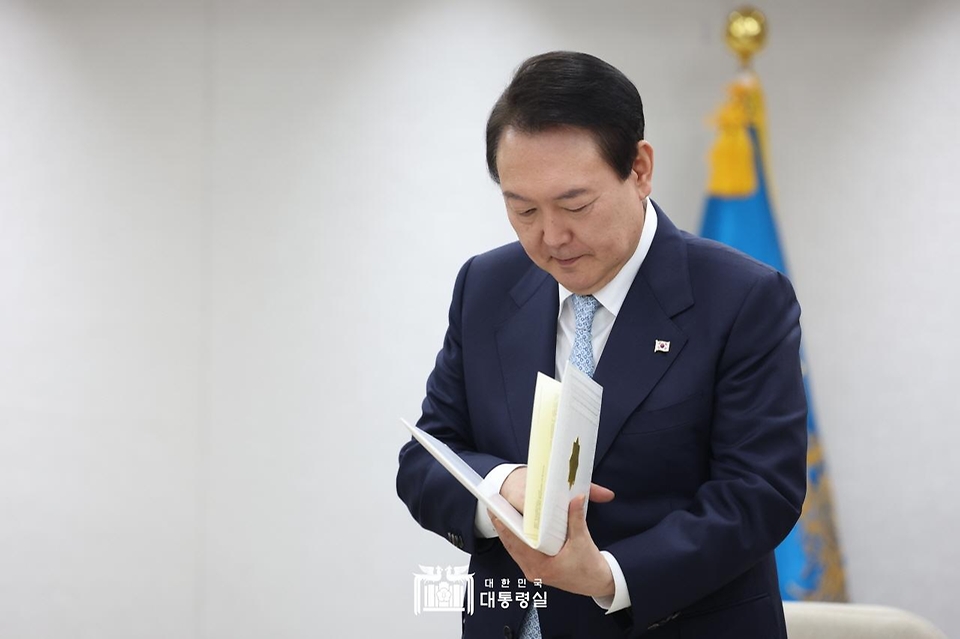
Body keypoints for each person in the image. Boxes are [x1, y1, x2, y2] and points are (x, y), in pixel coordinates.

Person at [396, 51, 807, 639]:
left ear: (639, 169)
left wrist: (608, 576)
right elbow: (426, 459)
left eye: (575, 205)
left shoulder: (742, 298)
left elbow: (758, 493)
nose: (551, 236)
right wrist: (504, 485)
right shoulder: (485, 287)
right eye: (523, 209)